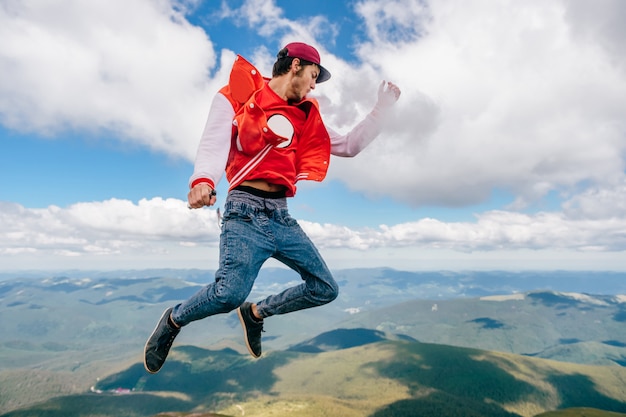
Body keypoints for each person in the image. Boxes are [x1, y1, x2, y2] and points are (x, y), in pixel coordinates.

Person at [144, 42, 401, 373]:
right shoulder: (238, 95)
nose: (313, 85)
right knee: (227, 295)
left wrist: (381, 111)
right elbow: (214, 141)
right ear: (295, 65)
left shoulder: (307, 115)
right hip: (244, 213)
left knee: (325, 289)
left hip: (280, 216)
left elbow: (350, 146)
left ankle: (256, 314)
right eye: (312, 76)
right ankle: (174, 320)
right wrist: (203, 181)